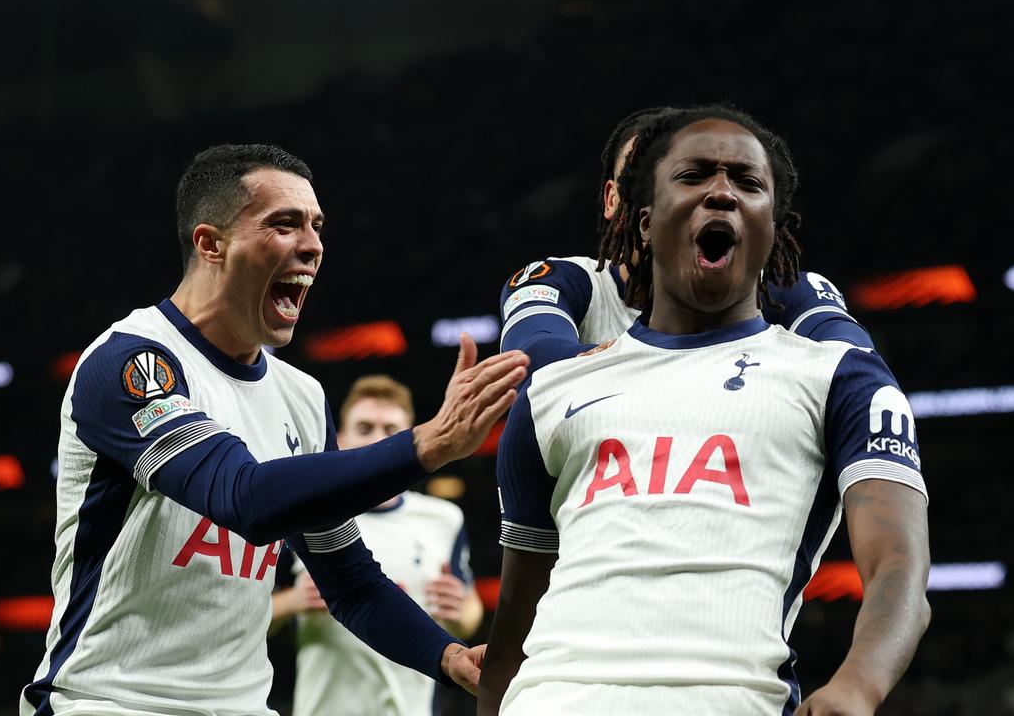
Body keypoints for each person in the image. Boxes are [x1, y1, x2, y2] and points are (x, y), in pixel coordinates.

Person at [21, 144, 526, 715]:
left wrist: (447, 655)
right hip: (111, 702)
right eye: (284, 225)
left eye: (316, 227)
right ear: (211, 243)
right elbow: (244, 498)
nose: (312, 245)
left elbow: (350, 582)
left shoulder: (302, 397)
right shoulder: (133, 363)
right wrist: (424, 445)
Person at [479, 106, 930, 714]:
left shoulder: (839, 378)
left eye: (747, 183)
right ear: (640, 220)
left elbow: (899, 569)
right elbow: (512, 635)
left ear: (774, 226)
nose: (720, 192)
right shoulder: (555, 390)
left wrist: (858, 683)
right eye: (693, 176)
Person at [499, 106, 873, 374]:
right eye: (637, 181)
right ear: (614, 199)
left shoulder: (785, 290)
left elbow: (855, 366)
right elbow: (530, 361)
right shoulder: (562, 281)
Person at [270, 374, 484, 716]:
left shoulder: (444, 518)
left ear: (411, 438)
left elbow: (470, 606)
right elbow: (250, 616)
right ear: (339, 439)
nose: (378, 440)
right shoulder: (307, 514)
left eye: (390, 430)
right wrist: (292, 601)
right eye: (365, 428)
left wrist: (462, 613)